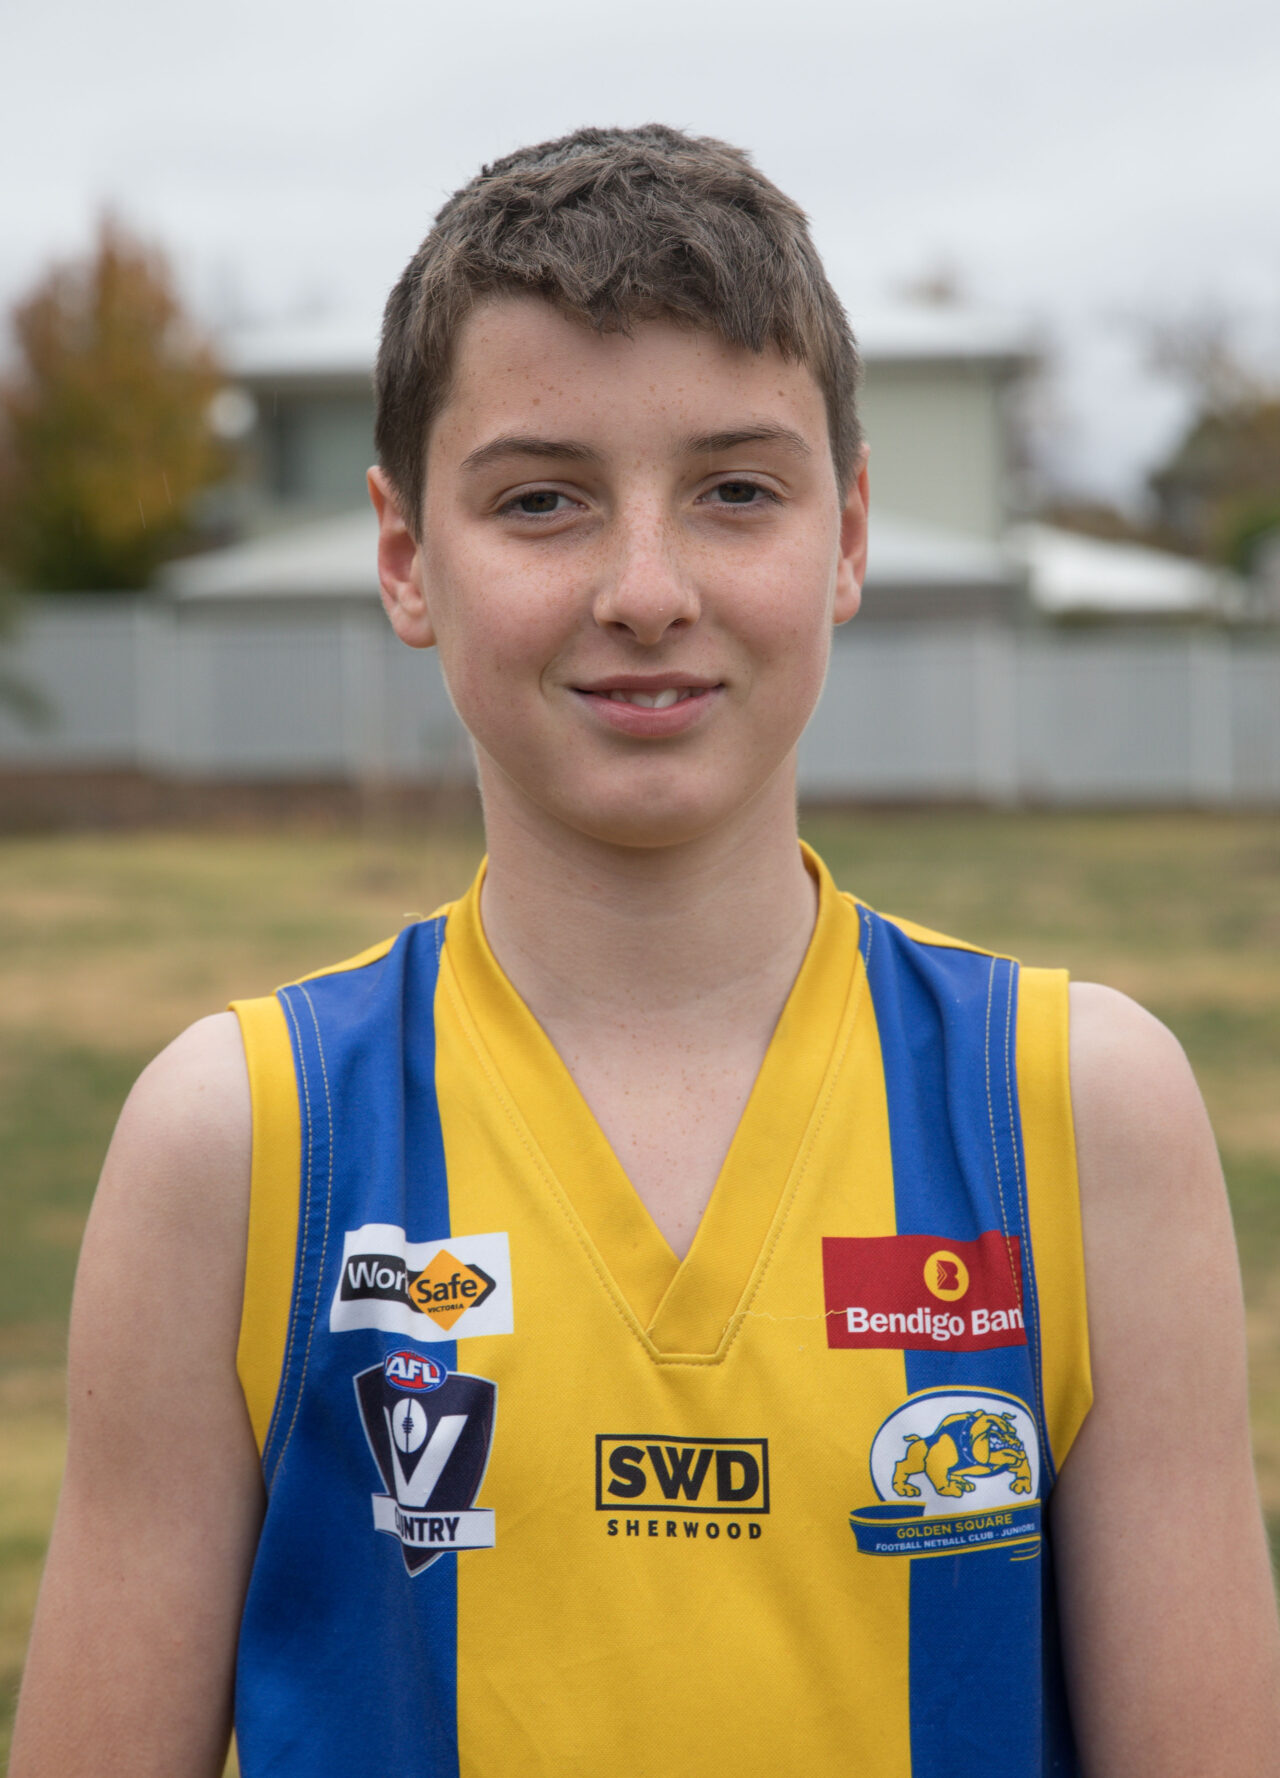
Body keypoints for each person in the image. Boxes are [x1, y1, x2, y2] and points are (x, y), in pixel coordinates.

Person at [12, 125, 1279, 1778]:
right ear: (405, 556)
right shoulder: (244, 1142)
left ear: (848, 533)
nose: (646, 589)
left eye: (736, 490)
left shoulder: (1077, 1113)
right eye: (541, 500)